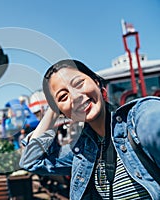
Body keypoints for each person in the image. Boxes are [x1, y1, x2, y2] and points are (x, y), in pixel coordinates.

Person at [19, 59, 160, 199]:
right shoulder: (83, 150)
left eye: (79, 84)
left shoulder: (139, 120)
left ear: (97, 83)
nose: (75, 97)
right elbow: (31, 161)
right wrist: (53, 110)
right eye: (63, 97)